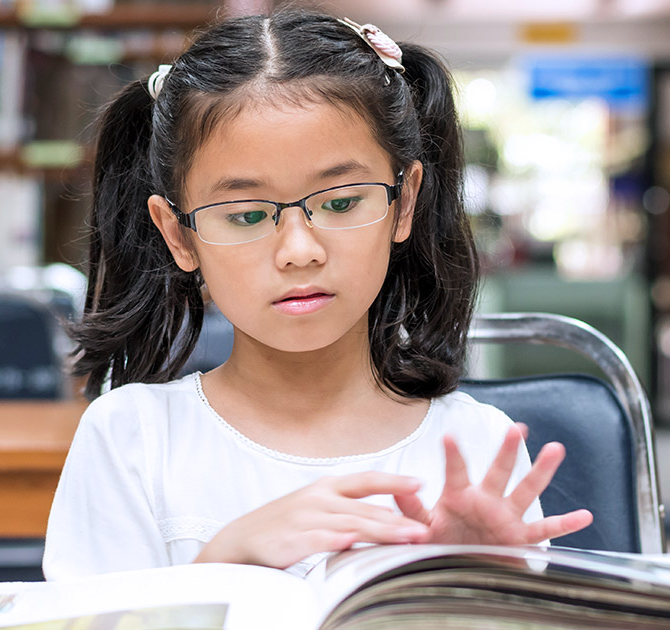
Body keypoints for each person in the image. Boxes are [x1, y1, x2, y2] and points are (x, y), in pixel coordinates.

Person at [43, 8, 593, 580]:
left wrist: (474, 593)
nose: (299, 251)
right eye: (248, 214)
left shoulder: (478, 447)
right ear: (179, 235)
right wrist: (223, 561)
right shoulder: (131, 438)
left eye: (340, 203)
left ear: (403, 202)